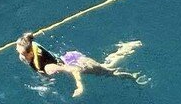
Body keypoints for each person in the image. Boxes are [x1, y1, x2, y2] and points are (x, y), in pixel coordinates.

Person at [15, 32, 145, 98]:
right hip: (69, 57)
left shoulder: (48, 68)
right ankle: (124, 50)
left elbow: (72, 69)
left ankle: (132, 70)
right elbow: (27, 41)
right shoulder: (30, 47)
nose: (19, 55)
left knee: (109, 71)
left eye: (21, 53)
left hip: (77, 63)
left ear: (31, 53)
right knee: (105, 65)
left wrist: (79, 86)